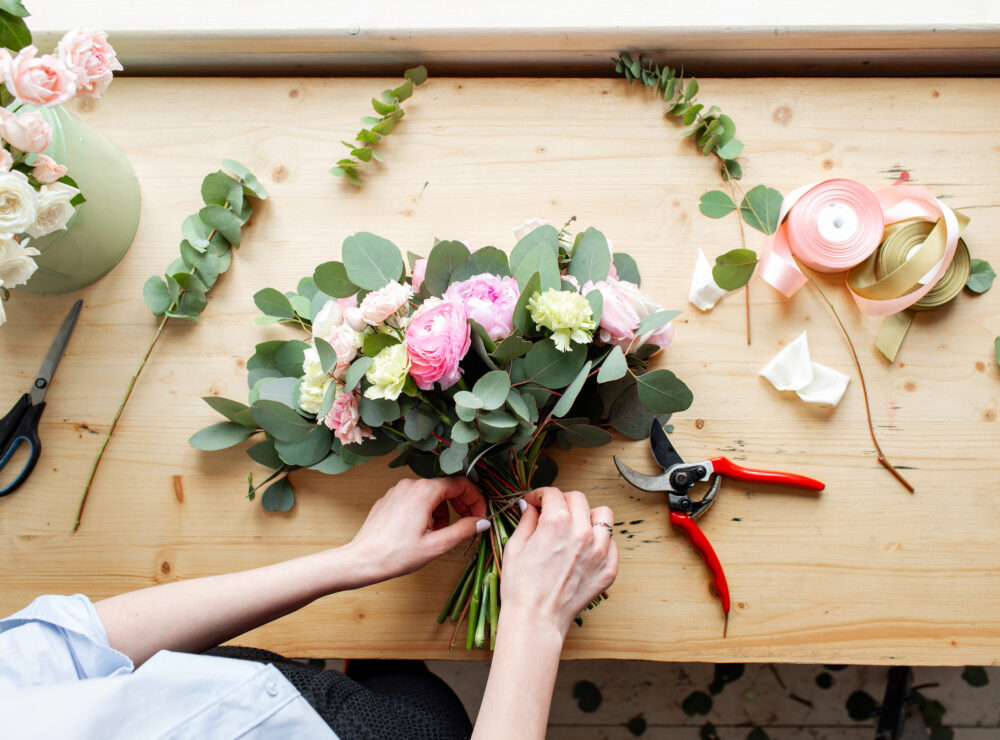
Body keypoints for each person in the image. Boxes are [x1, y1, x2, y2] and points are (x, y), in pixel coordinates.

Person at [0, 478, 619, 739]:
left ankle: (355, 669)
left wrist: (355, 561)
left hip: (233, 679)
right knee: (424, 705)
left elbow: (72, 645)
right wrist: (534, 621)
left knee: (387, 679)